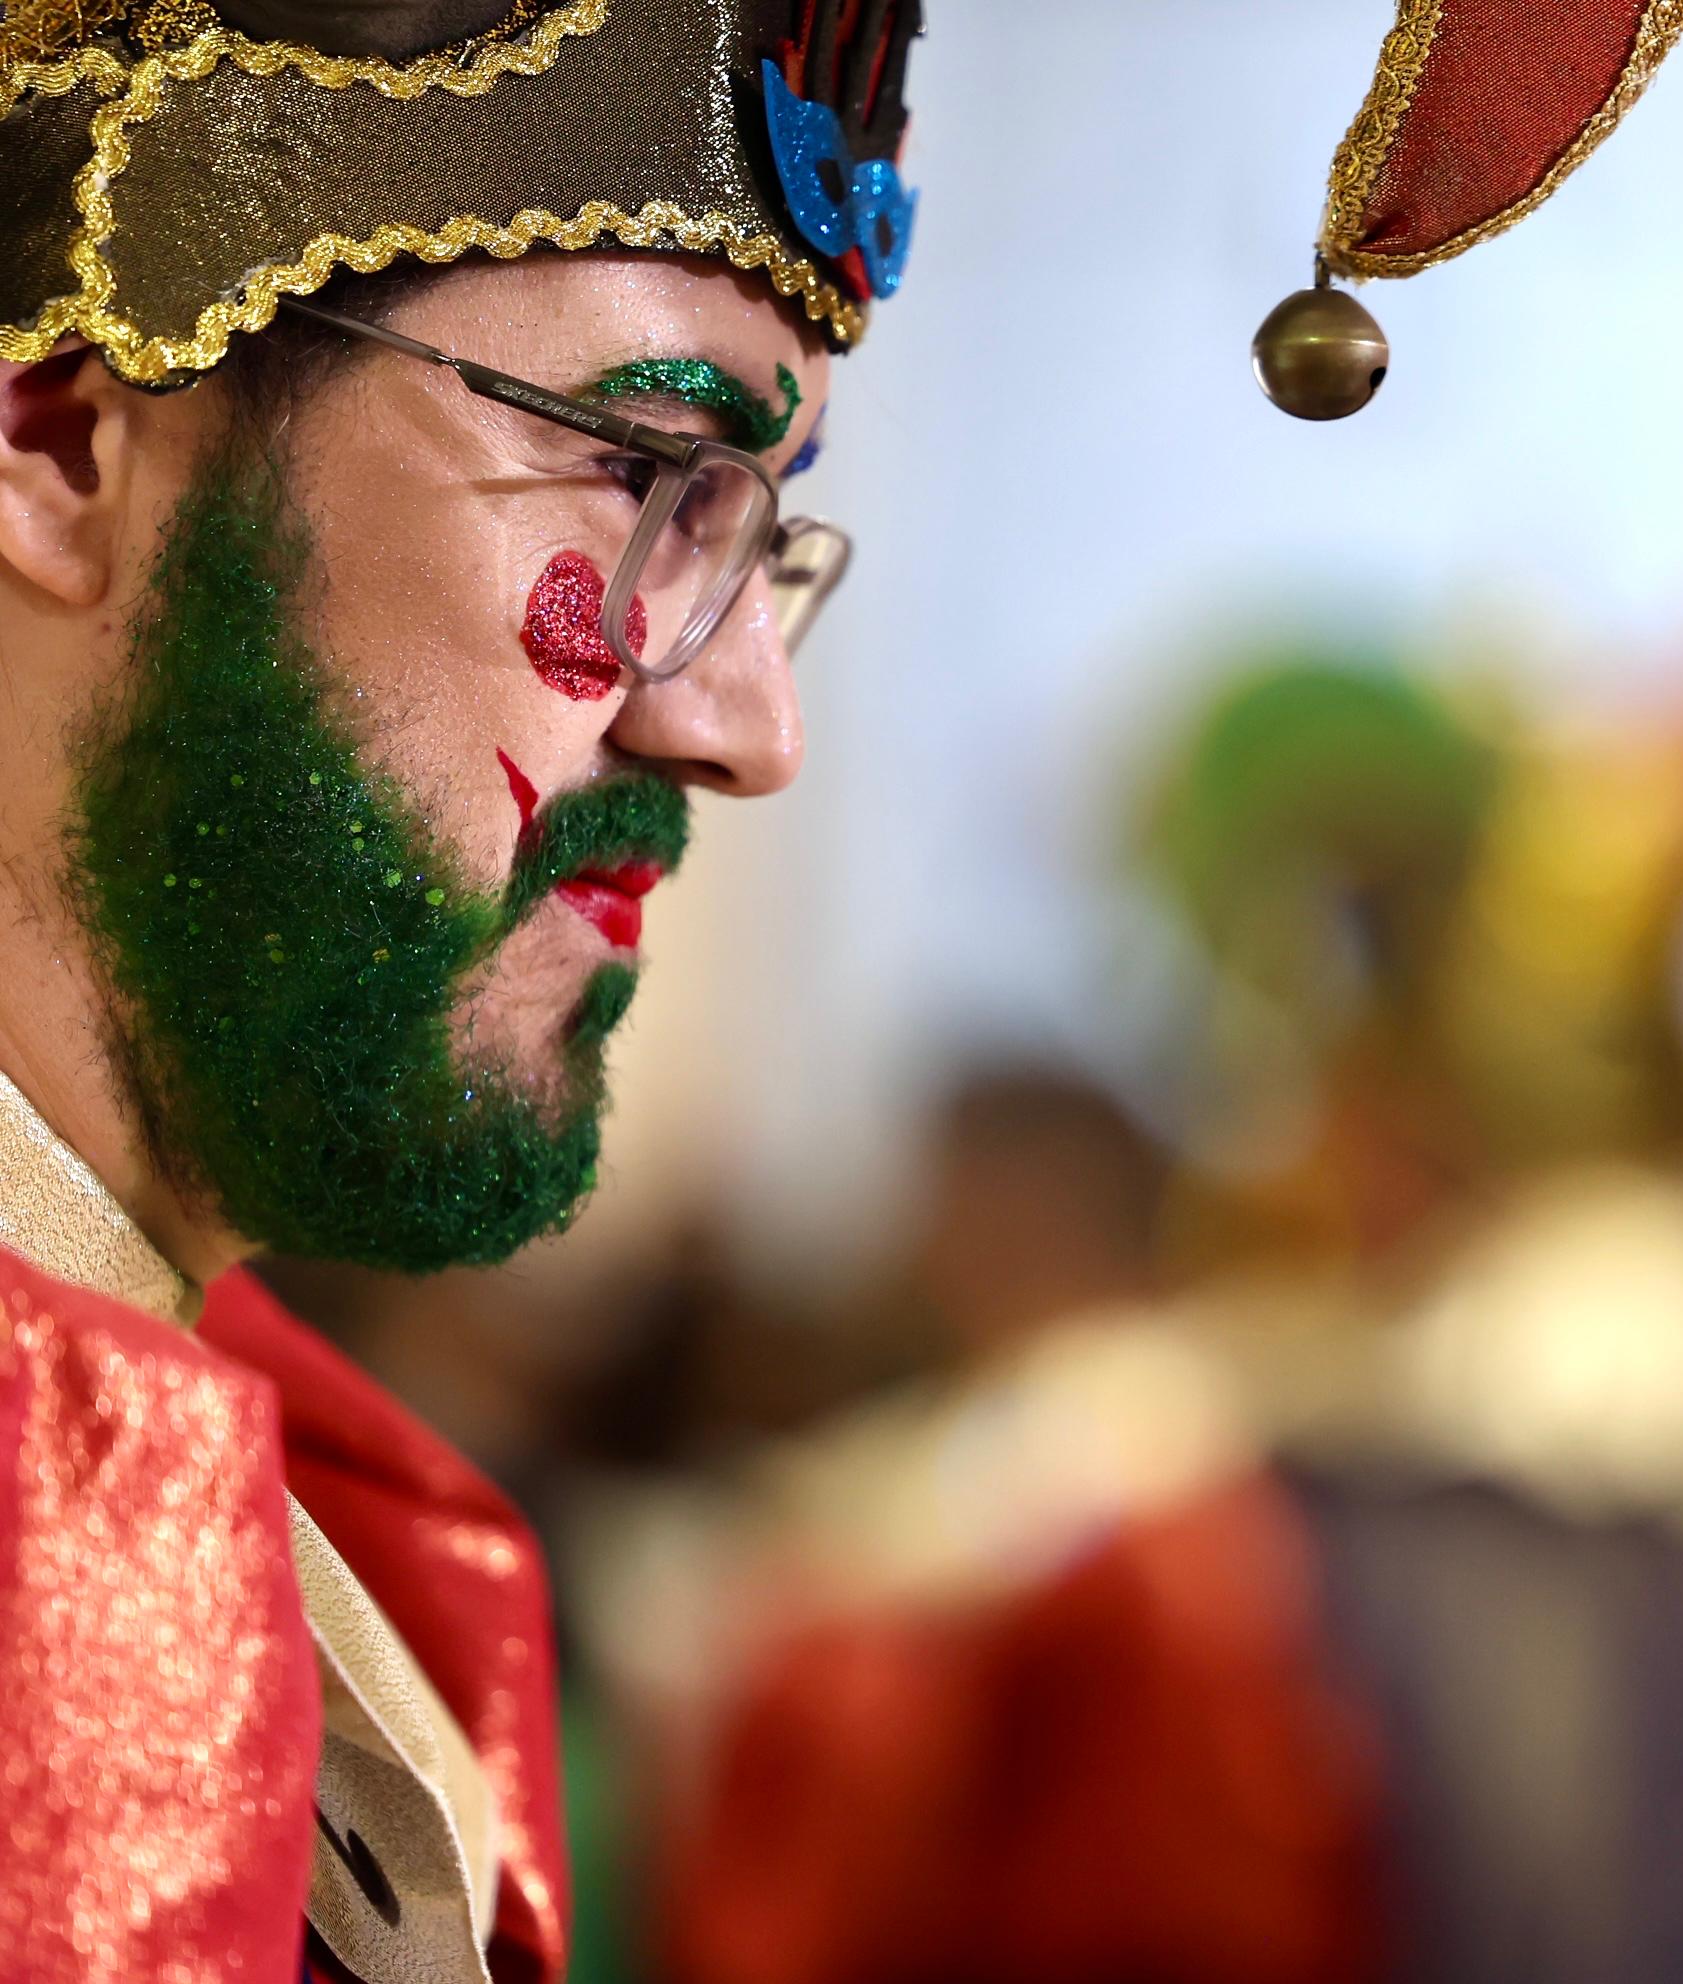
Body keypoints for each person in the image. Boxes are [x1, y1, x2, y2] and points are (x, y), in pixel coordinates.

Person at [0, 3, 920, 1978]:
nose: (749, 728)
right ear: (61, 436)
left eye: (758, 536)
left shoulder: (317, 1514)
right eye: (651, 472)